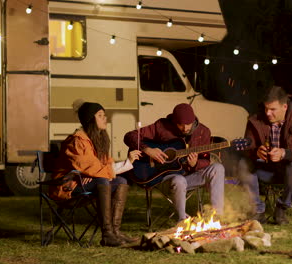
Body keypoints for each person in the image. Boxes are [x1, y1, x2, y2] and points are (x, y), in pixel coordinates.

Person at [49, 101, 142, 247]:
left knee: (121, 182)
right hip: (67, 187)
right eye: (100, 115)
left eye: (104, 115)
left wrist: (92, 174)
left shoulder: (98, 140)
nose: (105, 118)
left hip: (85, 183)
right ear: (90, 120)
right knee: (102, 181)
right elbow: (93, 168)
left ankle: (115, 232)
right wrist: (126, 163)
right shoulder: (77, 141)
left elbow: (103, 166)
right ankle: (107, 235)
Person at [123, 103, 225, 222]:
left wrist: (195, 164)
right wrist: (148, 150)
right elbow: (130, 136)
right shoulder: (161, 126)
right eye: (180, 125)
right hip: (166, 178)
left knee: (218, 168)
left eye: (188, 124)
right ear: (174, 121)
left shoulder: (203, 132)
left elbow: (205, 159)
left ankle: (217, 217)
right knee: (178, 180)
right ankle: (182, 221)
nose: (185, 128)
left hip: (190, 177)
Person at [239, 86, 292, 225]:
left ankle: (281, 207)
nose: (268, 113)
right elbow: (248, 146)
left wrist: (284, 153)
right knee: (243, 164)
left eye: (273, 109)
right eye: (266, 108)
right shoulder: (256, 119)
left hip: (290, 170)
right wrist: (256, 152)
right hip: (268, 169)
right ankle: (257, 210)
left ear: (284, 106)